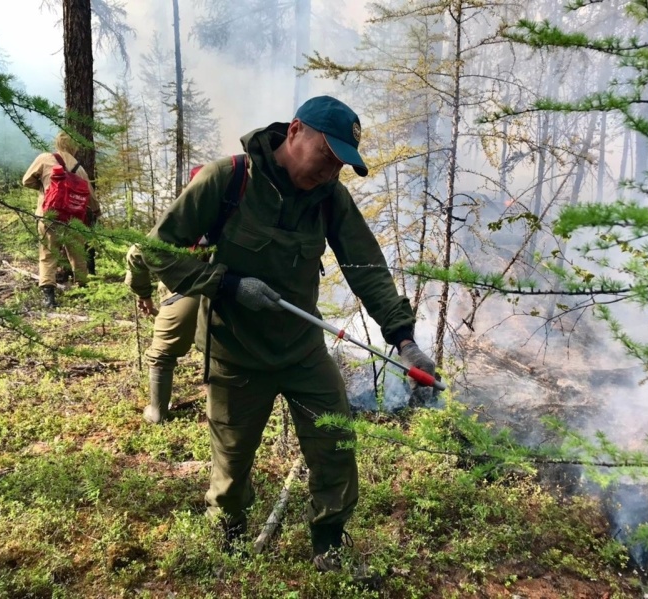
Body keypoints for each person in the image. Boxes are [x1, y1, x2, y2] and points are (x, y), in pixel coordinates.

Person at [141, 95, 436, 570]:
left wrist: (404, 339)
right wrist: (228, 284)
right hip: (235, 352)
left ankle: (328, 544)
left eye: (341, 164)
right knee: (232, 464)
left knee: (335, 444)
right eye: (327, 155)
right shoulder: (229, 180)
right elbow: (157, 250)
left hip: (302, 354)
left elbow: (366, 268)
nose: (330, 171)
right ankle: (231, 534)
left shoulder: (330, 199)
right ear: (296, 131)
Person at [22, 131, 101, 308]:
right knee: (77, 254)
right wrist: (97, 211)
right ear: (74, 147)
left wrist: (44, 188)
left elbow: (26, 180)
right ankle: (83, 291)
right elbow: (90, 196)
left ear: (57, 143)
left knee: (48, 254)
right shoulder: (79, 168)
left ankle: (49, 297)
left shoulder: (45, 158)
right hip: (74, 218)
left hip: (49, 215)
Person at [125, 243, 201, 424]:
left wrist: (143, 294)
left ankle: (158, 413)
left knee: (162, 356)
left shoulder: (180, 221)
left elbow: (138, 252)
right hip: (234, 293)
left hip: (184, 291)